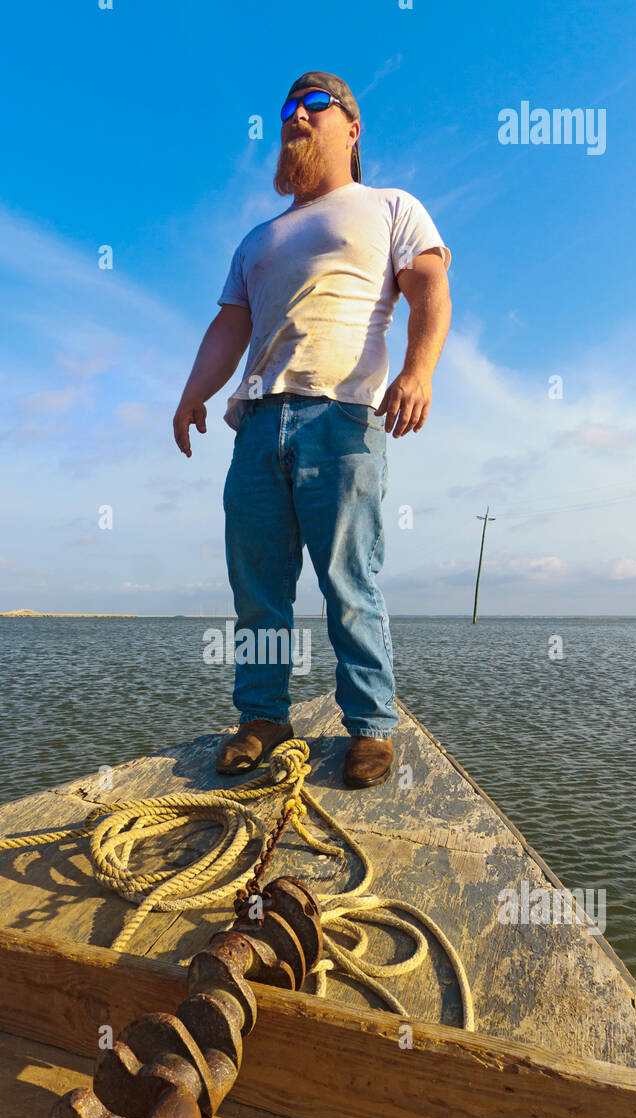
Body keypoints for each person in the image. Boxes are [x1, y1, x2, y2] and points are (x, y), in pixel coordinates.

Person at [173, 71, 451, 788]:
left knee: (348, 578)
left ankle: (369, 726)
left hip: (342, 418)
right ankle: (263, 717)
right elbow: (230, 325)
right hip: (258, 425)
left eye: (315, 105)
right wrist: (192, 394)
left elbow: (428, 287)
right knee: (258, 587)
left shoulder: (390, 206)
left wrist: (418, 372)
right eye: (288, 108)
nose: (297, 115)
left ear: (352, 129)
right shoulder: (258, 239)